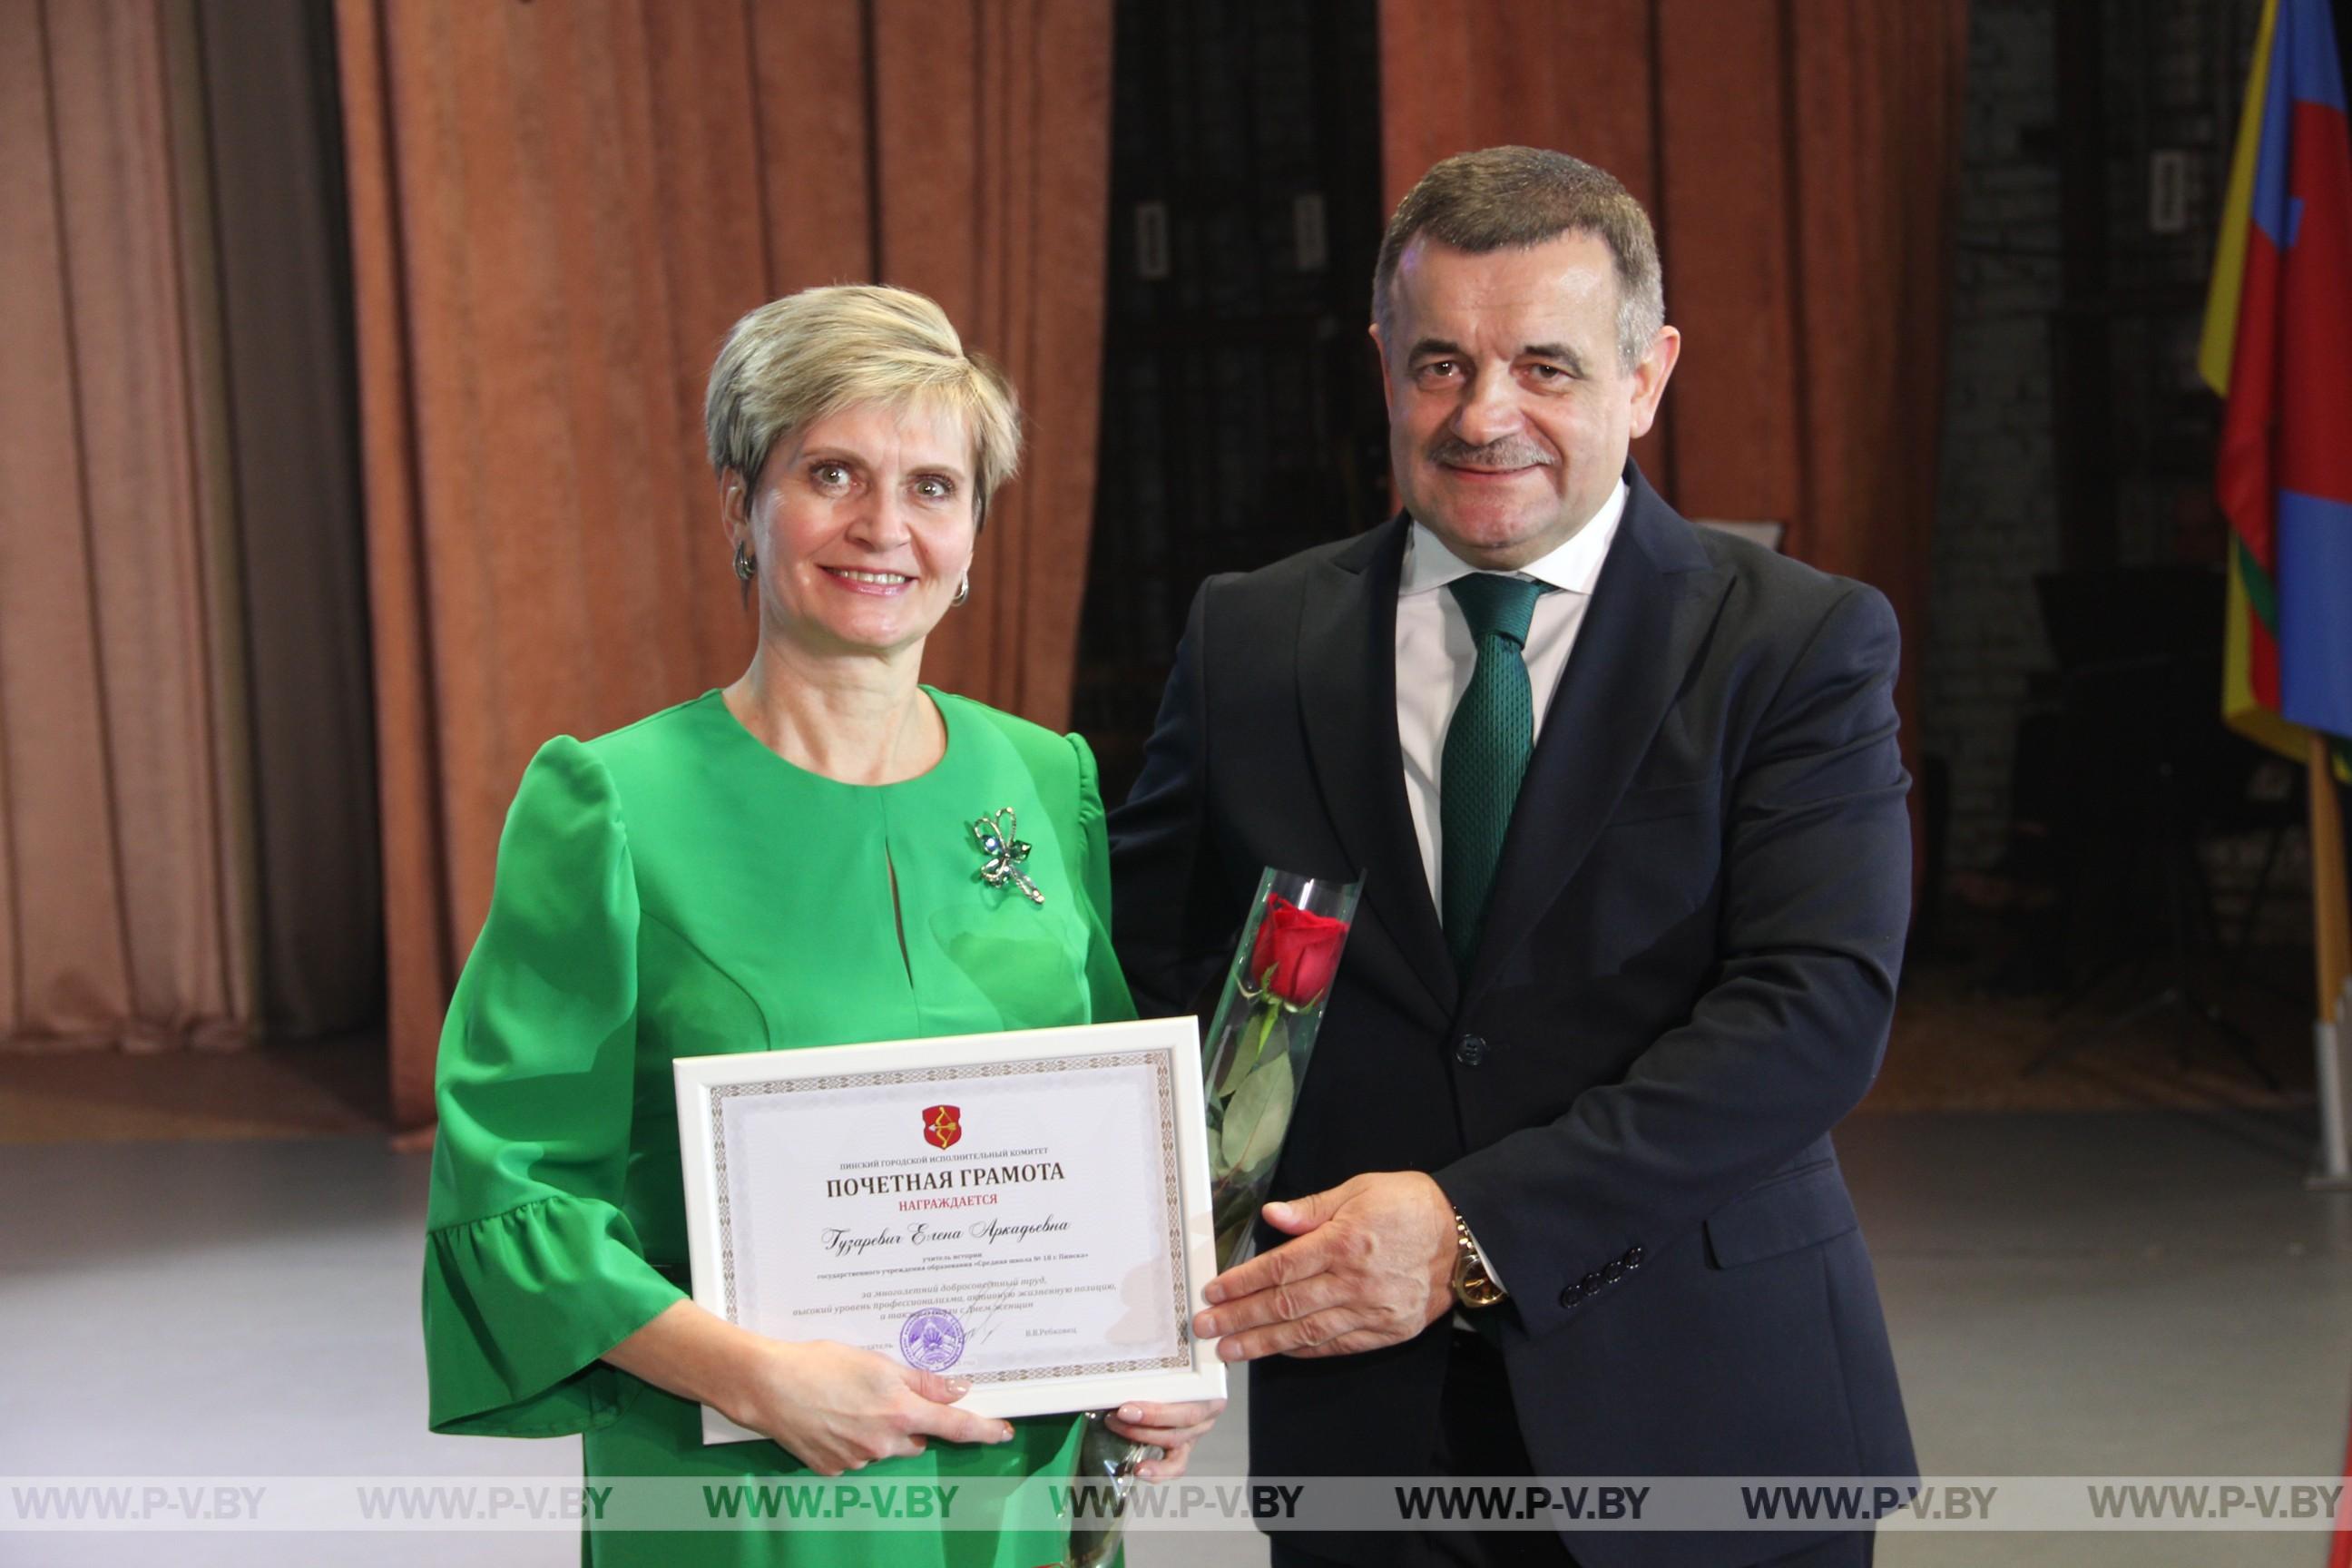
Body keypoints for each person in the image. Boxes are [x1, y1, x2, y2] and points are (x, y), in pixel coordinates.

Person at [1111, 147, 1916, 1568]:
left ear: (1646, 375)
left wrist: (1471, 1226)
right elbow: (1147, 989)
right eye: (1439, 365)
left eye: (1546, 366)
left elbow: (1813, 1014)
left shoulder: (1796, 641)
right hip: (1367, 1440)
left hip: (1709, 1414)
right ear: (1381, 364)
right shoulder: (1250, 638)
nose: (1486, 416)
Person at [421, 283, 1222, 1567]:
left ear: (973, 530)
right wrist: (753, 1376)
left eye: (933, 486)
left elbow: (1116, 1142)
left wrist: (1162, 1351)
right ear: (741, 502)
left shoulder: (1046, 780)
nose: (882, 527)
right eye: (832, 472)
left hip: (1015, 1487)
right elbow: (512, 1192)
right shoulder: (608, 803)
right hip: (746, 1488)